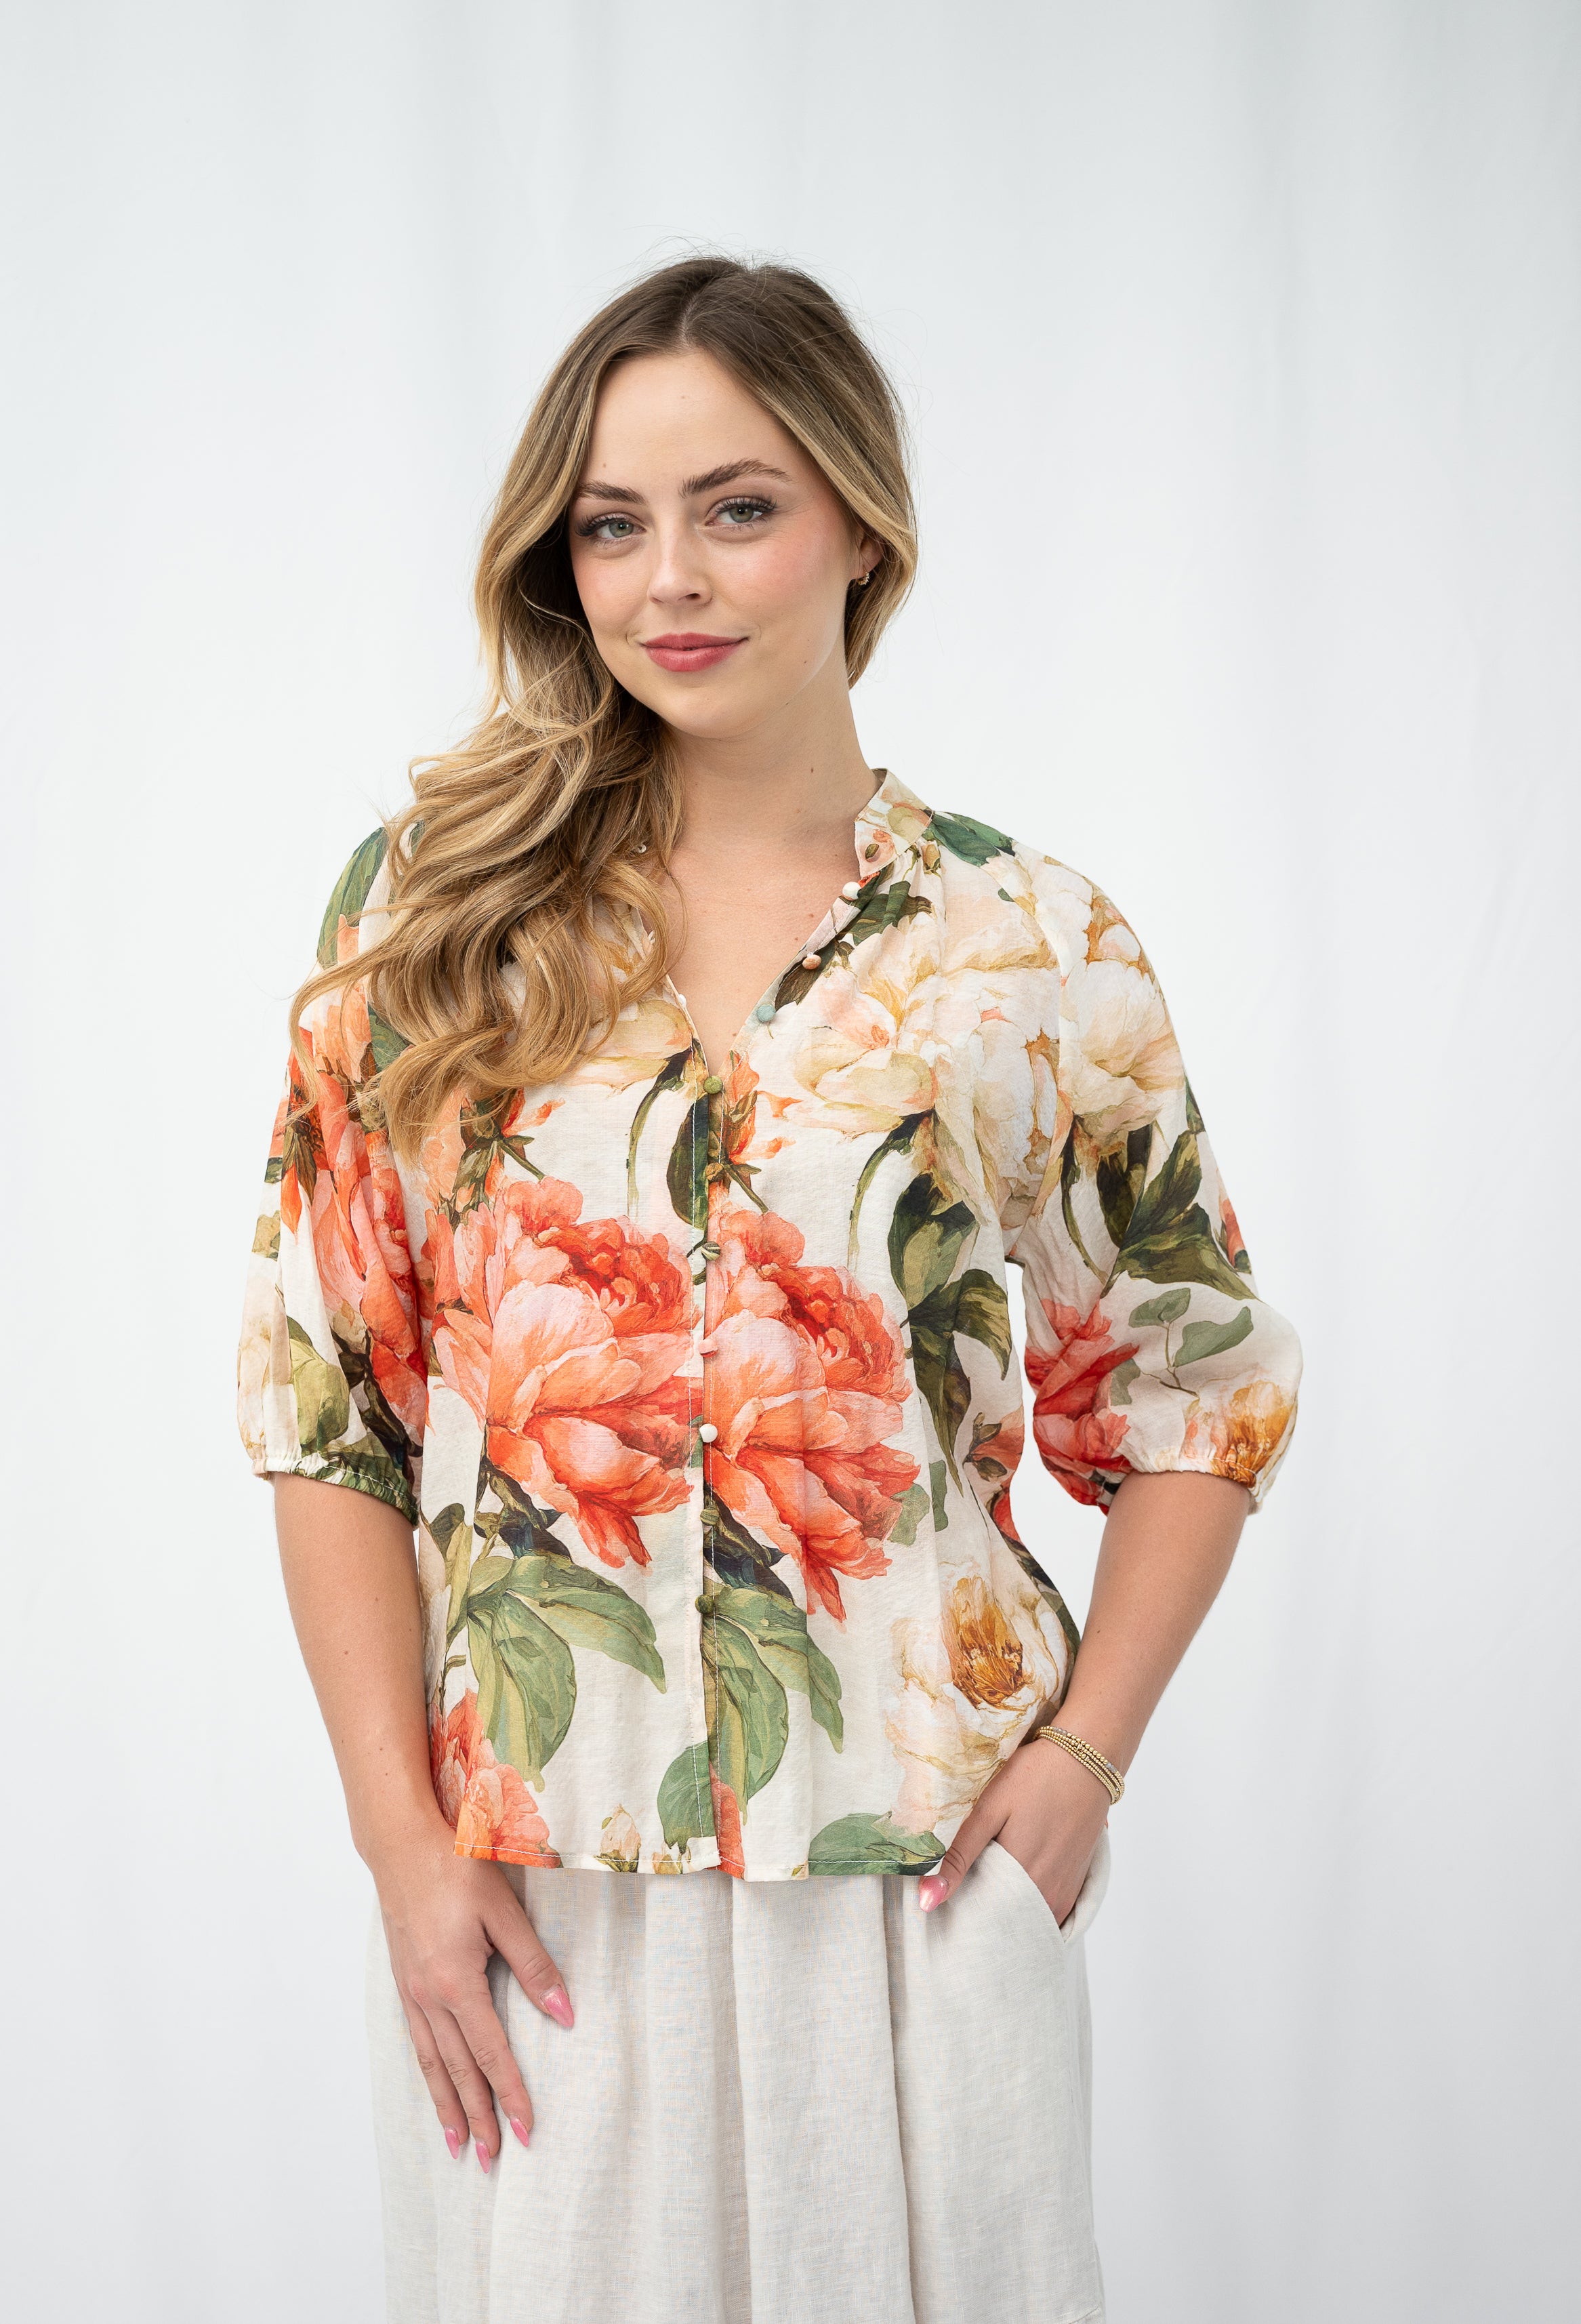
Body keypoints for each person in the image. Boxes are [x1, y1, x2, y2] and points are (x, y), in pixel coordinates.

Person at [238, 256, 1301, 2324]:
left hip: (918, 1879)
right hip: (536, 1894)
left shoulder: (1024, 941)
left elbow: (1198, 1391)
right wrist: (401, 1848)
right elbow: (326, 1407)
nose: (669, 580)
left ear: (860, 525)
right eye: (610, 525)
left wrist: (1085, 1763)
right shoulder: (438, 914)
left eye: (737, 507)